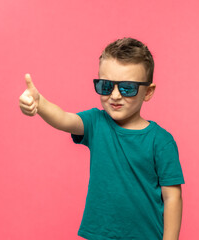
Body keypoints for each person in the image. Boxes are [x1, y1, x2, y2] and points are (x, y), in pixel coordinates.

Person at [19, 37, 185, 240]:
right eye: (106, 86)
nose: (115, 95)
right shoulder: (96, 122)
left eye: (127, 88)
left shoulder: (161, 141)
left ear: (148, 92)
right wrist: (40, 103)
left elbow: (172, 198)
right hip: (100, 235)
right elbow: (63, 118)